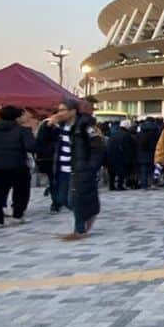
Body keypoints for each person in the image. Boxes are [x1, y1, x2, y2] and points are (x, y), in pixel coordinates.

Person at [48, 99, 106, 240]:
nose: (60, 113)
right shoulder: (58, 126)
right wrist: (48, 126)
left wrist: (91, 166)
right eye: (59, 110)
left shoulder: (85, 126)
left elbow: (98, 147)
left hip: (79, 169)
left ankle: (79, 230)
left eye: (63, 110)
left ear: (73, 111)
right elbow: (42, 142)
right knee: (62, 199)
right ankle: (88, 214)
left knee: (75, 200)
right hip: (62, 168)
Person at [0, 106, 37, 228]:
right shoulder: (23, 131)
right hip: (18, 164)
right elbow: (31, 147)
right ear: (17, 117)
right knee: (21, 191)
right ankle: (17, 215)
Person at [105, 119, 137, 191]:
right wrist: (130, 157)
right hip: (122, 156)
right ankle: (120, 185)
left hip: (111, 155)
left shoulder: (113, 134)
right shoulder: (127, 135)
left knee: (112, 172)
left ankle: (111, 185)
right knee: (121, 172)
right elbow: (128, 148)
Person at [133, 116, 161, 190]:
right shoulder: (156, 132)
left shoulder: (140, 132)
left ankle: (144, 185)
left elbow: (136, 143)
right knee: (152, 169)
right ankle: (152, 183)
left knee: (143, 170)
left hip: (141, 154)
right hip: (153, 153)